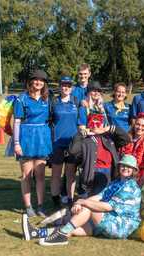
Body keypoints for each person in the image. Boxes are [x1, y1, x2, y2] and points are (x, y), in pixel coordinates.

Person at [22, 154, 142, 246]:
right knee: (74, 227)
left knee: (87, 209)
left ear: (134, 171)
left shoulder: (129, 187)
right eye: (123, 165)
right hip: (111, 219)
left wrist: (83, 203)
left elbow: (107, 207)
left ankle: (61, 236)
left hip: (121, 226)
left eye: (129, 167)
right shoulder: (117, 182)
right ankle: (35, 233)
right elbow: (100, 196)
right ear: (119, 166)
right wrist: (80, 202)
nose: (126, 168)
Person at [13, 69, 52, 217]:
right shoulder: (22, 98)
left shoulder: (47, 98)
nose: (38, 82)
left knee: (40, 175)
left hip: (42, 138)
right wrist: (16, 143)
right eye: (36, 80)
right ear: (30, 81)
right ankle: (28, 207)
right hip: (26, 138)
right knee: (26, 175)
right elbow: (17, 121)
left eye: (41, 80)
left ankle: (41, 206)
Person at [71, 107, 131, 196]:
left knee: (105, 195)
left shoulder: (109, 137)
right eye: (92, 123)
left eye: (98, 123)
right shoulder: (86, 139)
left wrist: (110, 128)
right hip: (91, 170)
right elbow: (73, 151)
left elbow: (126, 139)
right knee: (92, 196)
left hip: (108, 171)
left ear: (102, 123)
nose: (95, 126)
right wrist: (80, 134)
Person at [50, 76, 79, 208]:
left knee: (70, 174)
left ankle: (70, 198)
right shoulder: (54, 102)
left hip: (72, 144)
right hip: (57, 143)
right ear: (60, 86)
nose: (66, 87)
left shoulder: (76, 101)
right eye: (63, 85)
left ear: (71, 87)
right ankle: (55, 199)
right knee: (56, 173)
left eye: (68, 85)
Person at [120, 112, 144, 185]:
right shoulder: (126, 139)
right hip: (123, 174)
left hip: (139, 177)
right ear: (134, 125)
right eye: (138, 124)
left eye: (143, 126)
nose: (140, 127)